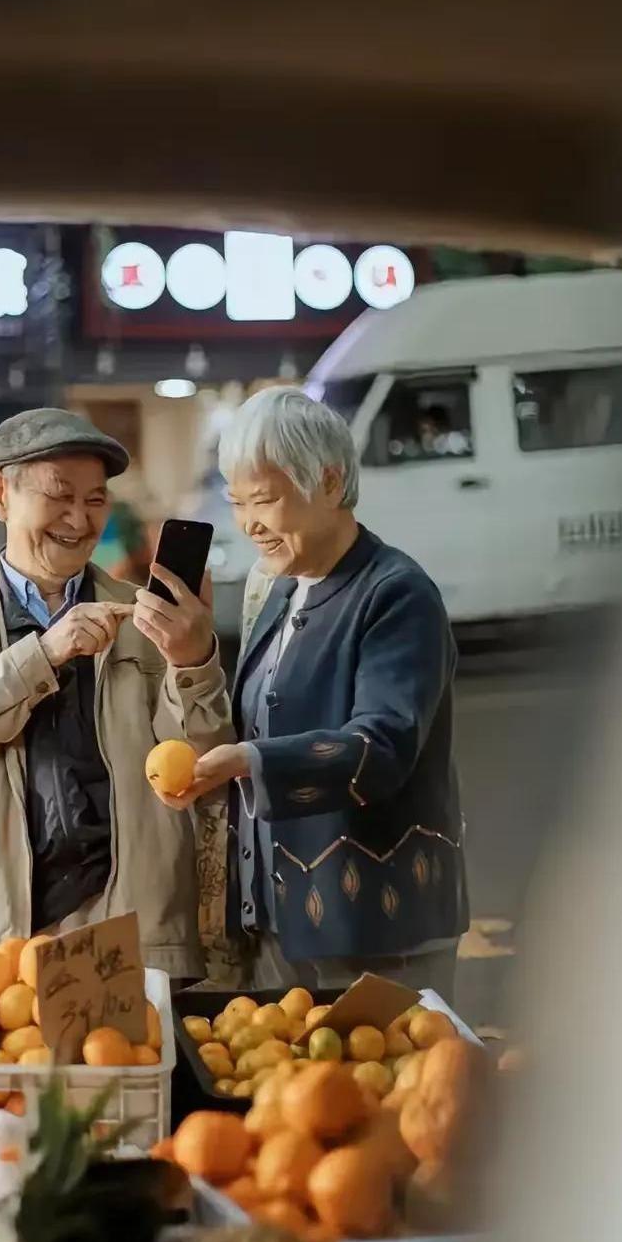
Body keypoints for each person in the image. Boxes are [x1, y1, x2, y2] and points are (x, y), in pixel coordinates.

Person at [0, 408, 231, 979]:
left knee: (127, 1070)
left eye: (96, 500)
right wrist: (40, 655)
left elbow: (200, 768)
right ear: (0, 494)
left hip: (129, 935)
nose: (79, 519)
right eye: (59, 496)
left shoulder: (145, 620)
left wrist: (192, 661)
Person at [154, 385, 468, 997]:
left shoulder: (396, 593)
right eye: (236, 502)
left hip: (378, 923)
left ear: (328, 484)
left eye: (265, 499)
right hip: (280, 918)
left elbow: (382, 746)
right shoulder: (274, 585)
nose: (249, 524)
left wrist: (250, 762)